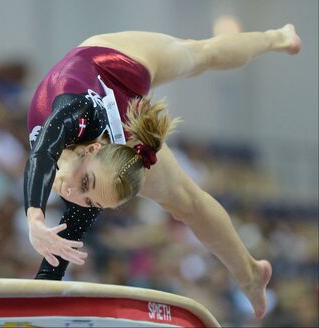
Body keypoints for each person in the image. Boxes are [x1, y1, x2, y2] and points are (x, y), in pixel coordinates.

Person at [23, 23, 301, 319]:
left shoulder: (92, 178)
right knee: (186, 200)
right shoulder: (74, 113)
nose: (73, 194)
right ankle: (251, 272)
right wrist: (36, 224)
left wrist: (37, 233)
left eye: (89, 196)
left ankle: (277, 37)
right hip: (110, 71)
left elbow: (65, 215)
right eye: (88, 190)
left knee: (201, 55)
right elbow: (43, 154)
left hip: (119, 93)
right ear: (91, 150)